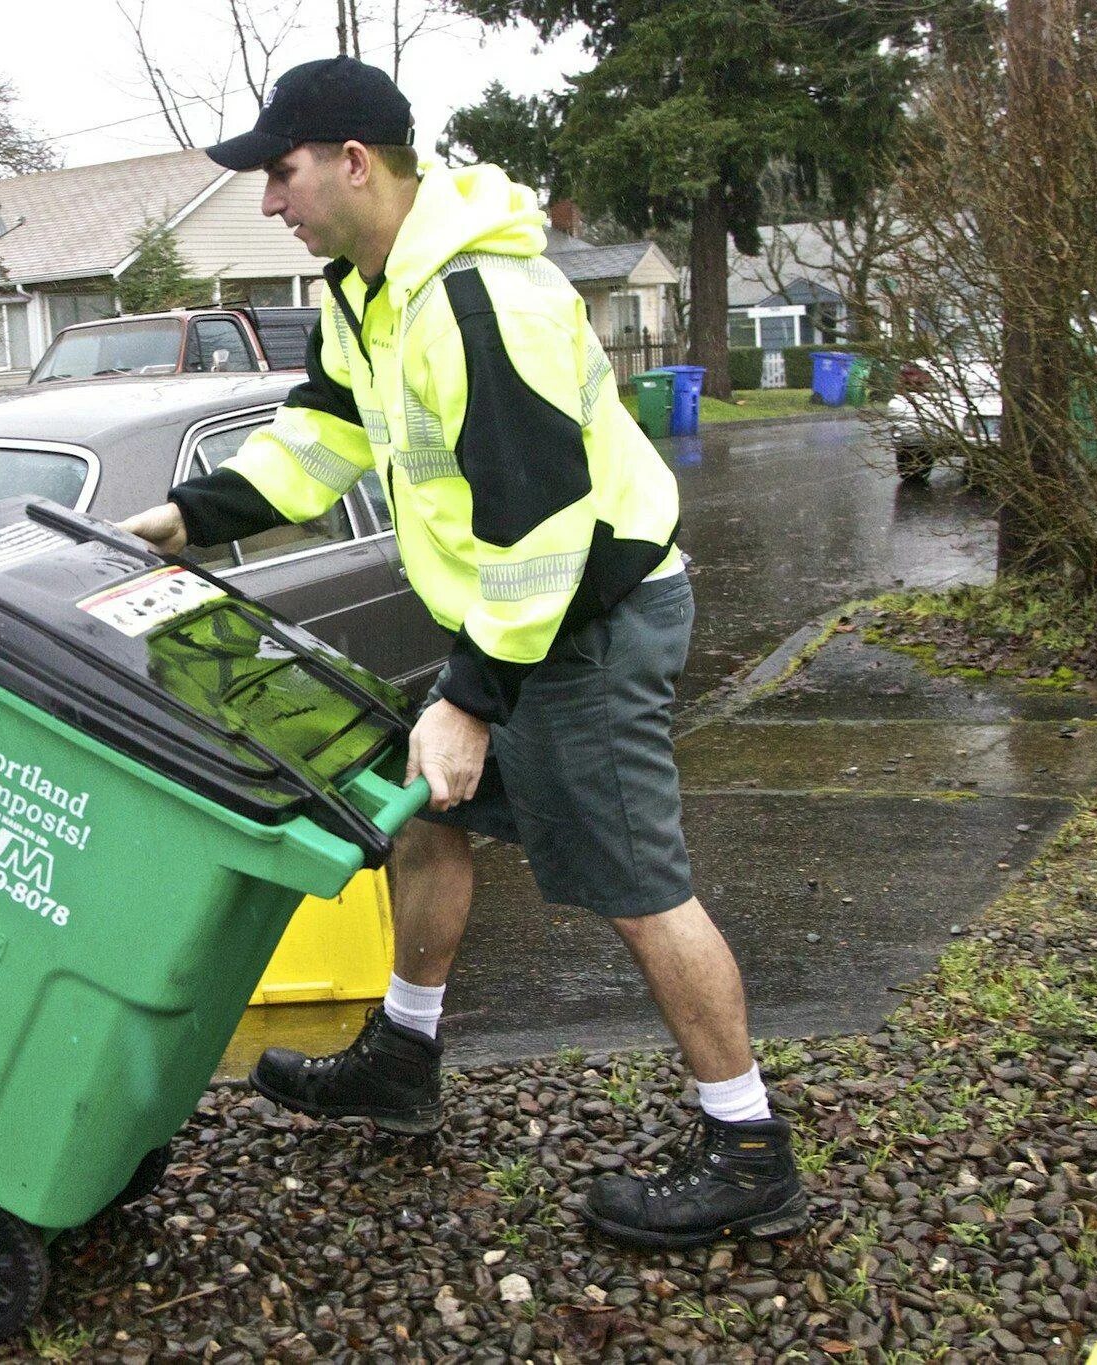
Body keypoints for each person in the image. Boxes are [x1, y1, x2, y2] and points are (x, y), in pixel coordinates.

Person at [120, 56, 806, 1251]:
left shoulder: (478, 299)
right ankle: (403, 1053)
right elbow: (323, 436)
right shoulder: (366, 288)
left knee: (635, 884)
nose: (270, 202)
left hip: (584, 623)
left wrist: (473, 700)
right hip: (513, 621)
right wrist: (190, 516)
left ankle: (747, 1146)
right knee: (418, 812)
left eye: (279, 175)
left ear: (351, 161)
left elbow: (543, 528)